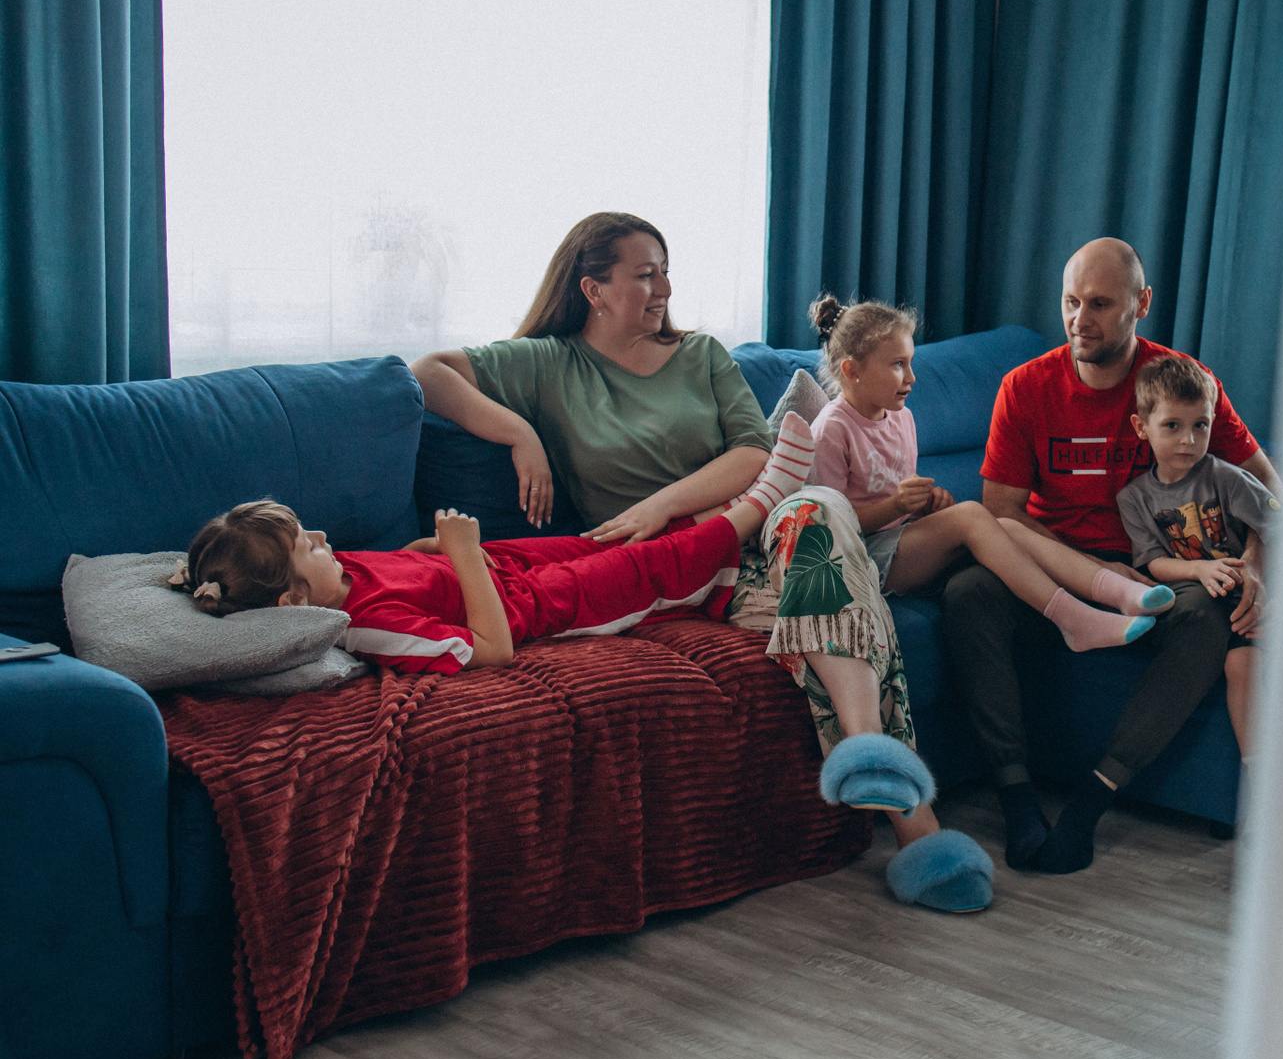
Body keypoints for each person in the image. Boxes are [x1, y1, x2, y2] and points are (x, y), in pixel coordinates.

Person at [411, 212, 991, 912]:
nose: (664, 288)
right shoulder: (549, 364)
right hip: (677, 572)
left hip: (761, 528)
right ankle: (913, 822)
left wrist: (662, 503)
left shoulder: (701, 355)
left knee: (821, 517)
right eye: (644, 274)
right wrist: (520, 432)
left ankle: (879, 770)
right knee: (838, 597)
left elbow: (754, 454)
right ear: (593, 290)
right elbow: (428, 372)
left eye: (666, 270)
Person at [944, 237, 1283, 874]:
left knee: (1206, 617)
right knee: (967, 594)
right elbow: (1001, 513)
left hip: (1158, 569)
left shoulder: (1181, 384)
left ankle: (1088, 808)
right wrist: (1092, 574)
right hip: (1055, 564)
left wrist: (1258, 569)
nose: (1080, 320)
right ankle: (1017, 800)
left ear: (1141, 304)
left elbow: (1268, 489)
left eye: (1100, 304)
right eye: (1071, 302)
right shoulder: (1025, 387)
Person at [172, 457, 801, 669]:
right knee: (642, 568)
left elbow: (402, 568)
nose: (322, 536)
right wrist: (464, 556)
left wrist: (432, 551)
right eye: (306, 546)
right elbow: (492, 650)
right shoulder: (364, 627)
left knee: (606, 539)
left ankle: (738, 509)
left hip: (492, 566)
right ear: (293, 603)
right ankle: (763, 503)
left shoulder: (339, 576)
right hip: (527, 610)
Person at [804, 294, 1175, 648]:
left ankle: (1117, 590)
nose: (912, 377)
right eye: (897, 365)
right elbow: (826, 531)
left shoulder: (901, 418)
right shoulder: (832, 429)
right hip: (855, 559)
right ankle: (1074, 620)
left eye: (911, 362)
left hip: (900, 544)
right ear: (851, 370)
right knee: (971, 515)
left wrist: (925, 505)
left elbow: (894, 496)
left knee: (1007, 526)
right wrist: (897, 507)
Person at [1116, 354, 1281, 765]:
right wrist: (1198, 569)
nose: (1188, 440)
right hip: (1200, 600)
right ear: (1141, 427)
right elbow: (1152, 562)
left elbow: (1280, 526)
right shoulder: (1134, 499)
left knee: (1243, 666)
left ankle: (1257, 772)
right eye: (1172, 426)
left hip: (1245, 597)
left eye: (1200, 425)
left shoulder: (1226, 477)